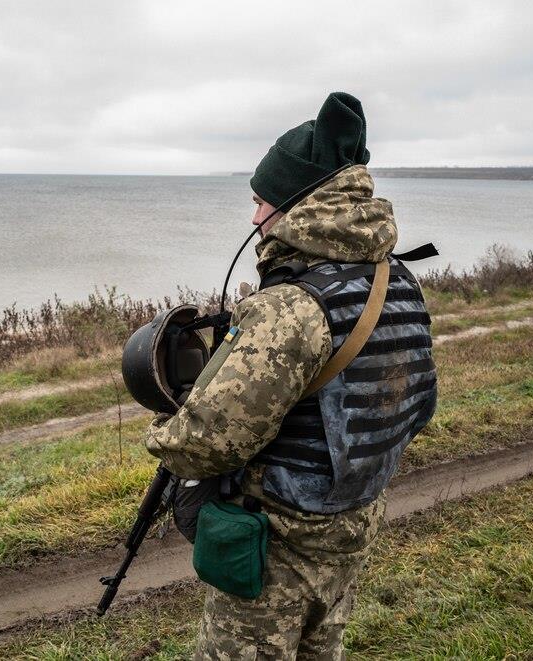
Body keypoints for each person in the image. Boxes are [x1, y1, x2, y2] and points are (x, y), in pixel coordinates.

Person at [144, 92, 437, 660]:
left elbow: (210, 442)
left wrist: (163, 434)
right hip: (354, 519)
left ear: (300, 204)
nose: (254, 218)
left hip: (280, 538)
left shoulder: (290, 308)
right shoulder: (398, 281)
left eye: (261, 201)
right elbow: (416, 408)